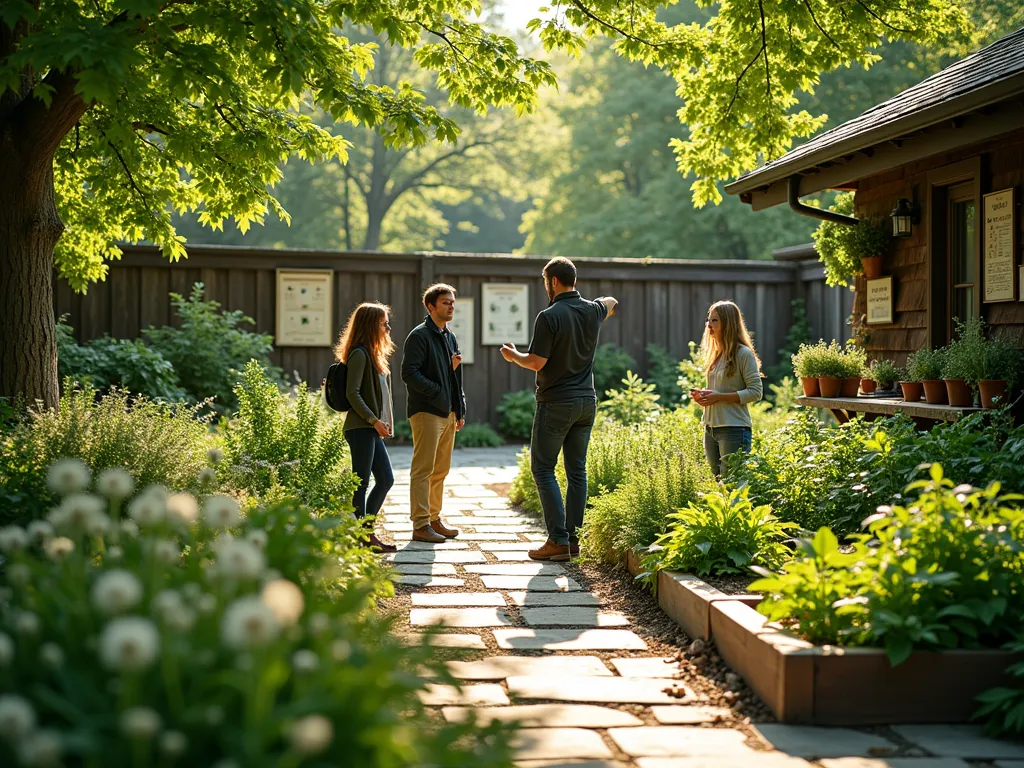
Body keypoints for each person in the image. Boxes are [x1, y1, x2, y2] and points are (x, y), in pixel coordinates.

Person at [500, 257, 617, 561]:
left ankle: (557, 540)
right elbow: (612, 300)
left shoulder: (548, 316)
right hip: (586, 402)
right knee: (577, 469)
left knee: (542, 468)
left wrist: (514, 356)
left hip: (556, 402)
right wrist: (599, 306)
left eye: (545, 282)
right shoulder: (593, 310)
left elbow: (536, 362)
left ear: (552, 281)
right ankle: (573, 539)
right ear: (573, 280)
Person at [401, 283, 466, 544]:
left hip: (448, 413)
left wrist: (459, 408)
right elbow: (409, 374)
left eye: (452, 302)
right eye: (445, 302)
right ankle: (420, 524)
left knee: (440, 470)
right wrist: (438, 392)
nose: (451, 306)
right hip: (427, 411)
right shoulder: (419, 336)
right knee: (423, 470)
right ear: (430, 306)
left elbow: (454, 375)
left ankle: (434, 519)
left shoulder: (449, 336)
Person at [335, 302, 397, 553]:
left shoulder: (373, 354)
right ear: (372, 325)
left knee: (385, 479)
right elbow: (353, 393)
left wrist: (381, 422)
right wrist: (373, 420)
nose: (388, 328)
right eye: (384, 323)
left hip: (370, 429)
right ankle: (361, 536)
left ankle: (365, 532)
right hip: (360, 428)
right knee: (361, 484)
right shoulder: (359, 353)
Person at [690, 300, 764, 479]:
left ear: (728, 323)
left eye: (714, 321)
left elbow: (756, 392)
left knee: (732, 484)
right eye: (708, 320)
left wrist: (719, 397)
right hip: (711, 429)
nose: (709, 325)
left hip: (734, 429)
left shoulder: (743, 354)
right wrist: (704, 396)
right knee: (718, 482)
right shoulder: (717, 355)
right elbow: (719, 391)